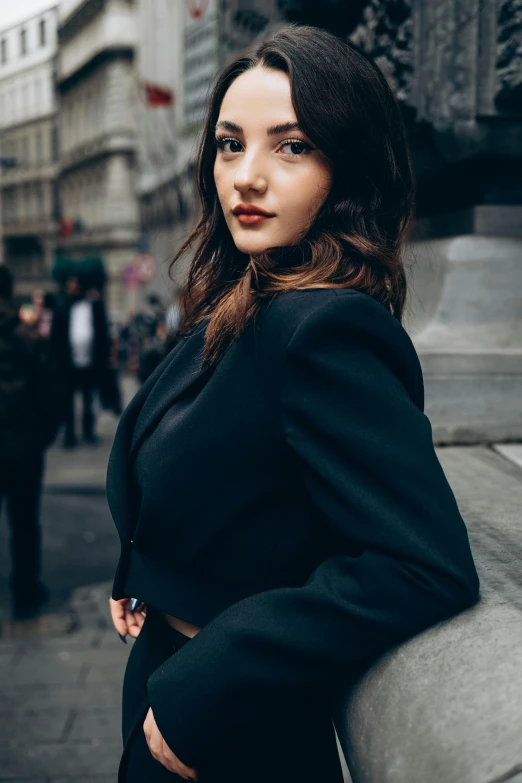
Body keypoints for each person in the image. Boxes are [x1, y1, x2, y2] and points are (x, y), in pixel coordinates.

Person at [107, 26, 480, 783]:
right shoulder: (248, 296)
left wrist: (215, 674)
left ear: (349, 165)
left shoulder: (327, 328)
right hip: (169, 676)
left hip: (233, 725)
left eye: (292, 146)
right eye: (229, 144)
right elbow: (203, 459)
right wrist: (143, 565)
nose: (246, 176)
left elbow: (421, 565)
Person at [0, 267, 61, 618]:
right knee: (24, 523)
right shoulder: (29, 337)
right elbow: (51, 393)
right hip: (24, 445)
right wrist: (42, 434)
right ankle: (25, 590)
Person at [51, 276, 110, 447]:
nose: (72, 289)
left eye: (75, 286)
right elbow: (56, 336)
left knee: (88, 399)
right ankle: (69, 435)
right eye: (69, 286)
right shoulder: (61, 306)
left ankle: (88, 432)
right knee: (67, 400)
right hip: (67, 362)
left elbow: (102, 332)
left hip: (90, 362)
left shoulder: (94, 305)